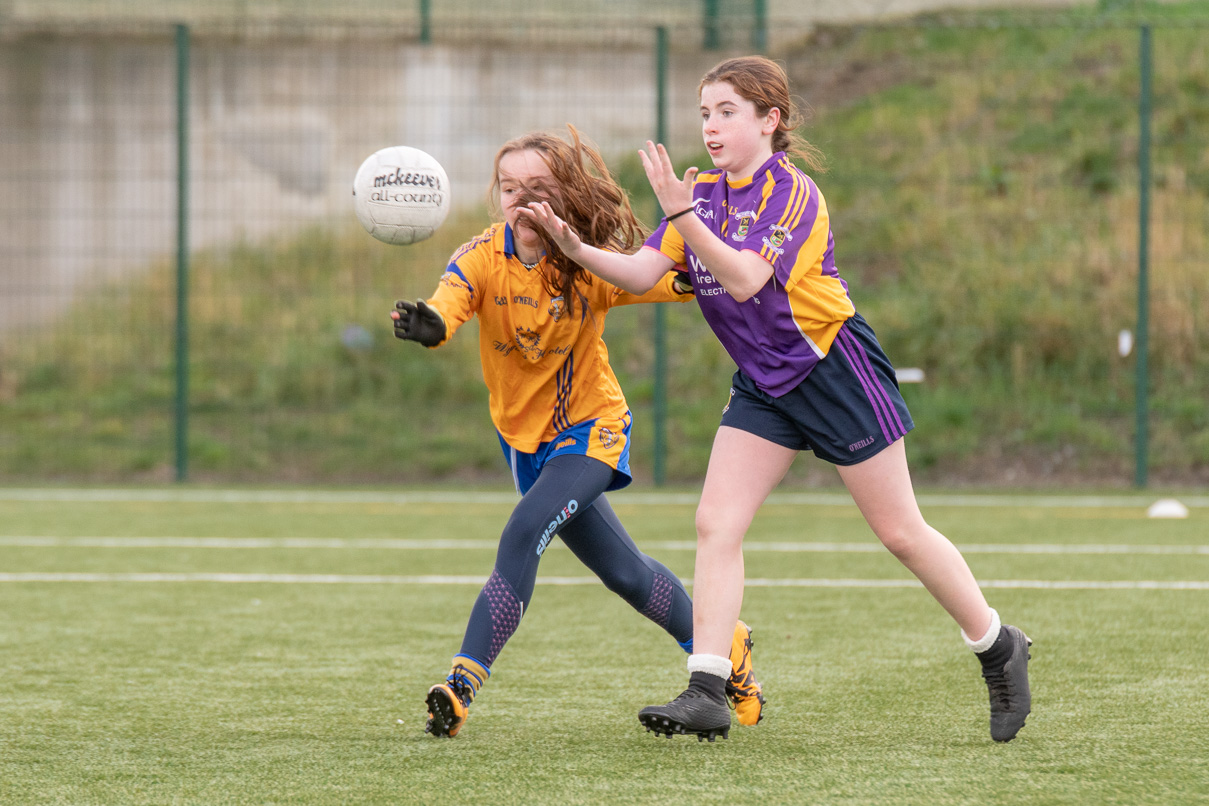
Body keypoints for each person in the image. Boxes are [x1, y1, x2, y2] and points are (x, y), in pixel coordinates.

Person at [520, 57, 1032, 743]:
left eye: (726, 111)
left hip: (832, 370)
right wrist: (572, 246)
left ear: (770, 120)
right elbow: (643, 272)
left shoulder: (793, 194)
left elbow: (743, 278)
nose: (710, 125)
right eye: (704, 112)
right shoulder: (699, 194)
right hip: (763, 384)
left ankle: (997, 645)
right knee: (715, 522)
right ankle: (706, 686)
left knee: (899, 532)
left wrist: (681, 214)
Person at [390, 125, 764, 740]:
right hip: (524, 445)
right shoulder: (481, 257)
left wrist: (716, 254)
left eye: (536, 186)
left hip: (591, 432)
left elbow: (677, 279)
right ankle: (728, 645)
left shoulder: (586, 264)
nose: (520, 198)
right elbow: (447, 306)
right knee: (626, 575)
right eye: (510, 187)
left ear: (563, 193)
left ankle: (459, 688)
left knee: (524, 530)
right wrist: (429, 326)